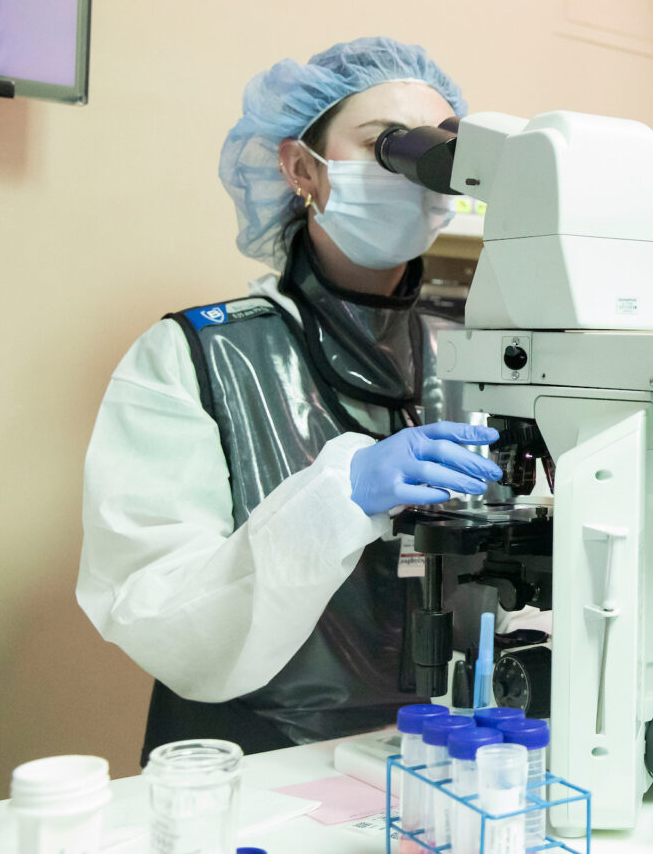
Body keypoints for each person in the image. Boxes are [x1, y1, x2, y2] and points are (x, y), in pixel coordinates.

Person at [77, 37, 503, 760]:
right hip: (255, 752)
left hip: (440, 745)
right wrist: (338, 500)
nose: (416, 176)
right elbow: (151, 603)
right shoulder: (195, 354)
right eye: (387, 147)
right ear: (303, 167)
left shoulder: (482, 353)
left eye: (438, 155)